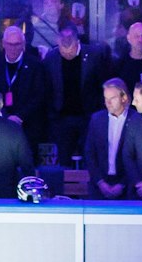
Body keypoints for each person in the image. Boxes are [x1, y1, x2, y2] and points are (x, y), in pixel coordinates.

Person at [46, 23, 111, 164]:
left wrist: (98, 111)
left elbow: (104, 85)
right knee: (63, 159)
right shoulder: (51, 58)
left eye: (70, 51)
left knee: (90, 157)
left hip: (88, 116)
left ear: (78, 42)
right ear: (58, 43)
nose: (67, 55)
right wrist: (52, 114)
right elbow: (47, 88)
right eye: (63, 51)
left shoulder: (95, 56)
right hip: (61, 117)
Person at [0, 25, 50, 148]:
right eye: (10, 44)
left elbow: (40, 95)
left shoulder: (35, 65)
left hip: (29, 124)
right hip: (1, 124)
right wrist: (6, 116)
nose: (13, 48)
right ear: (3, 44)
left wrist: (20, 116)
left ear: (23, 44)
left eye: (17, 44)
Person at [83, 78, 134, 197]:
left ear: (124, 98)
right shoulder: (97, 119)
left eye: (112, 98)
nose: (108, 103)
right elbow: (89, 153)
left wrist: (122, 184)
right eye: (106, 99)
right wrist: (100, 182)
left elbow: (139, 158)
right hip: (99, 186)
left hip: (128, 188)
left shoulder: (136, 120)